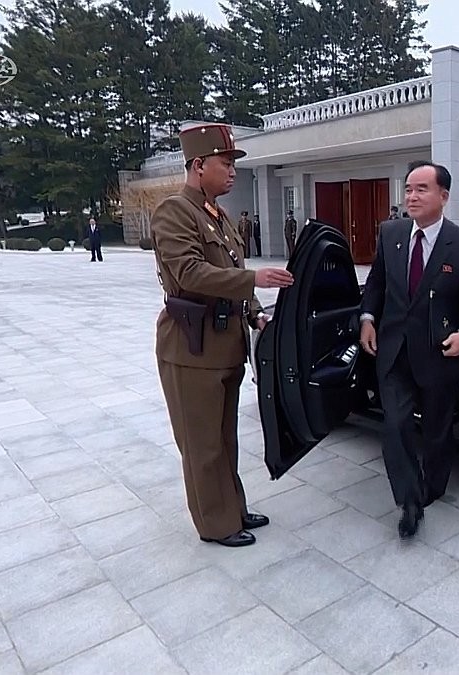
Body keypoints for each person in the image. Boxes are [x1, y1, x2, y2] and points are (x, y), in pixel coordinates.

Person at [150, 123, 294, 548]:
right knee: (202, 445)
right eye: (225, 163)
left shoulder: (218, 213)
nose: (232, 172)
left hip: (224, 343)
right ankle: (216, 523)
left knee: (223, 437)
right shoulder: (175, 211)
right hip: (191, 348)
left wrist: (255, 315)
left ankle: (232, 506)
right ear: (198, 165)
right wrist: (253, 280)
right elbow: (190, 272)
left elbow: (227, 270)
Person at [359, 160, 459, 539]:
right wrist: (367, 318)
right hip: (394, 350)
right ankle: (409, 503)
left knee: (436, 431)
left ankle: (432, 487)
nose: (412, 197)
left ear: (443, 197)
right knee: (396, 425)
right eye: (409, 189)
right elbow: (377, 284)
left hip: (439, 353)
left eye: (421, 189)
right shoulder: (391, 234)